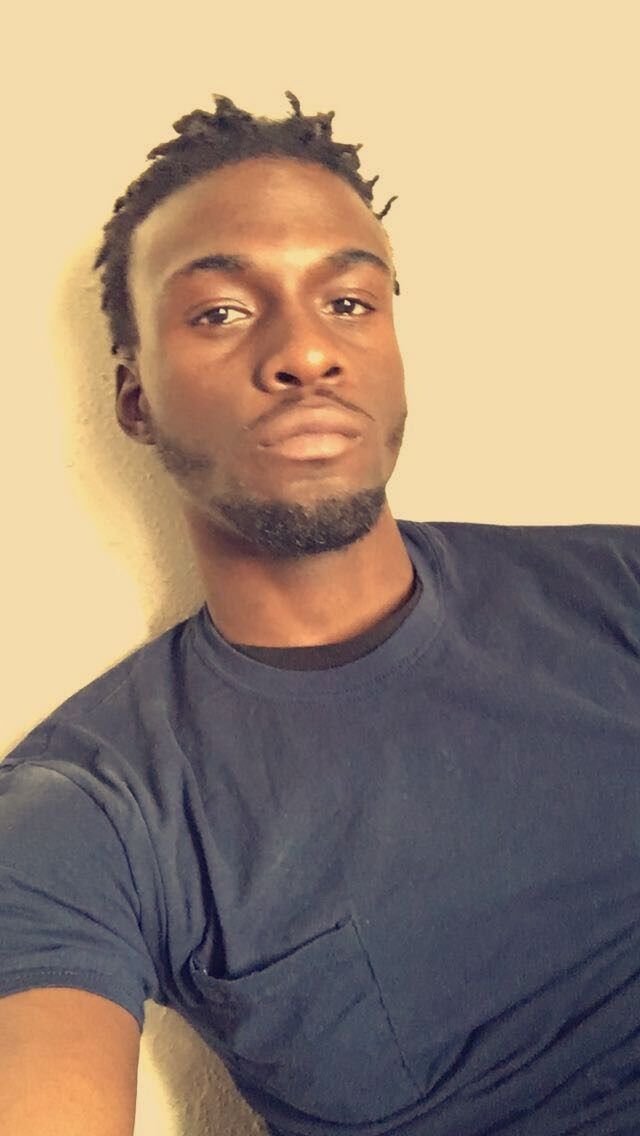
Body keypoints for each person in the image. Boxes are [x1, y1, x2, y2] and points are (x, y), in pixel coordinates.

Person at [1, 90, 639, 1136]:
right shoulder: (95, 807)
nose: (306, 352)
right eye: (220, 311)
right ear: (135, 398)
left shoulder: (616, 586)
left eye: (348, 301)